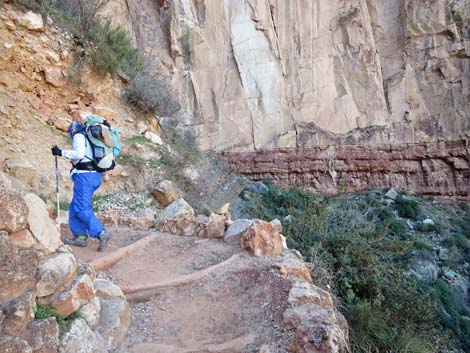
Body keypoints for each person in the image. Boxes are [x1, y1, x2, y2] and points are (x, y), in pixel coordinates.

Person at [51, 120, 112, 251]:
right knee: (74, 207)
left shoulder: (79, 136)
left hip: (85, 176)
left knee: (82, 208)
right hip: (94, 176)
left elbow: (78, 154)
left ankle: (101, 233)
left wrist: (61, 152)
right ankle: (80, 237)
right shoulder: (89, 139)